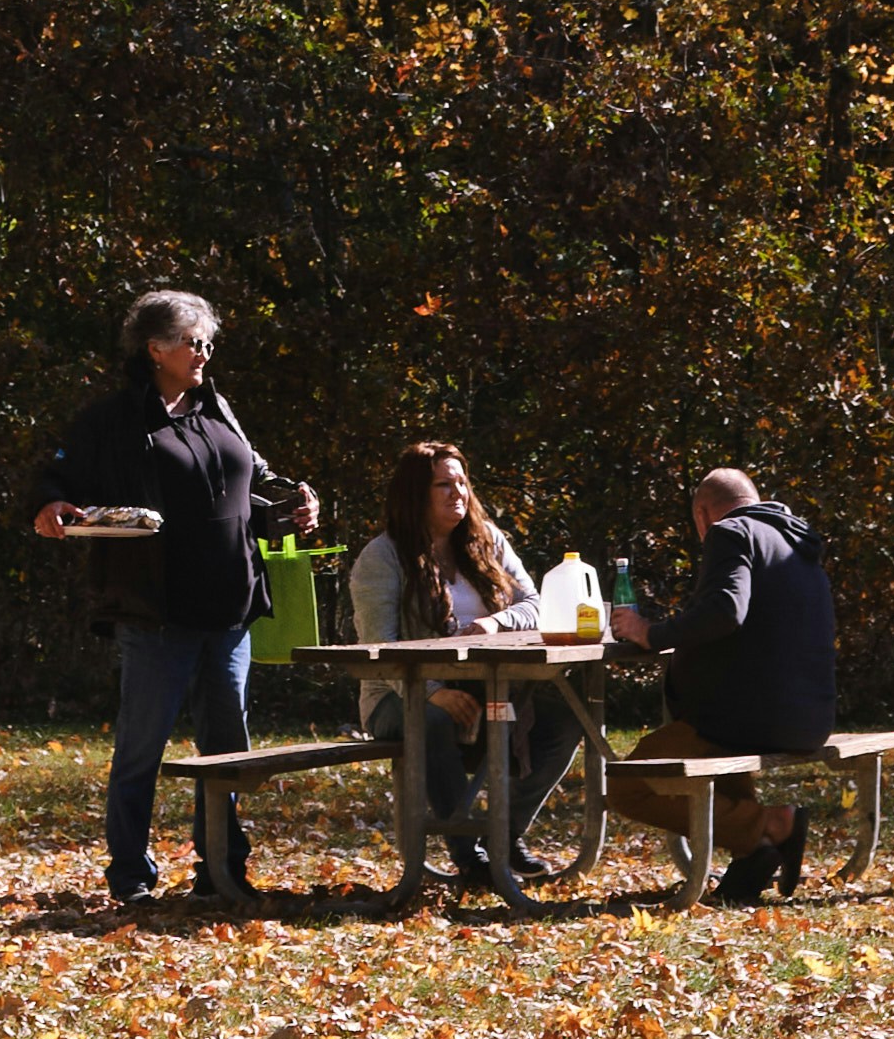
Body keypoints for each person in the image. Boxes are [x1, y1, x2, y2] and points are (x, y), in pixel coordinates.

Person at [34, 285, 315, 917]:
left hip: (232, 608)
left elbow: (256, 484)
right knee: (143, 747)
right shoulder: (113, 419)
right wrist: (52, 503)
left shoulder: (218, 409)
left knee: (227, 750)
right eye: (193, 342)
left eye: (209, 343)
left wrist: (294, 503)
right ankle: (130, 873)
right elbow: (57, 477)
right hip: (156, 610)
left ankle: (221, 869)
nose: (203, 353)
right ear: (155, 347)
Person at [349, 436, 563, 897]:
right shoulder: (382, 558)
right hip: (397, 699)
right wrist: (428, 692)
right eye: (443, 485)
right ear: (415, 494)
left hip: (490, 691)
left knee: (565, 713)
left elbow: (534, 604)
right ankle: (471, 858)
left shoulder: (488, 543)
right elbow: (378, 648)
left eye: (462, 483)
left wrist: (495, 622)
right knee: (431, 718)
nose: (457, 493)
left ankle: (503, 835)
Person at [624, 459, 841, 903]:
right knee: (711, 758)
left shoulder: (731, 532)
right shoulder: (797, 541)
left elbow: (725, 610)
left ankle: (772, 825)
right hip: (809, 714)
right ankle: (754, 856)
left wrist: (650, 632)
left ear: (704, 514)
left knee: (626, 782)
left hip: (748, 716)